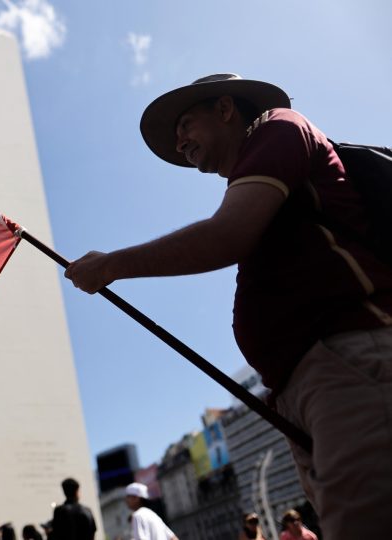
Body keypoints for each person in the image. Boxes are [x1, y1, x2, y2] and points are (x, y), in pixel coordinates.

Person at [64, 73, 392, 540]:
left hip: (350, 367)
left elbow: (227, 235)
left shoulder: (280, 127)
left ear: (224, 108)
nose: (179, 142)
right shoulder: (264, 175)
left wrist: (111, 265)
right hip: (312, 387)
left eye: (184, 124)